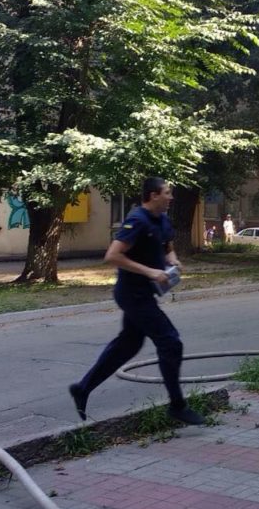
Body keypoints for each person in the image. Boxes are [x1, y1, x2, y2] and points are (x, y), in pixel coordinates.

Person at [68, 177, 204, 425]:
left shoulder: (162, 219)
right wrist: (150, 271)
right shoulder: (137, 220)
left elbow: (167, 246)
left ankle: (82, 388)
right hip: (132, 294)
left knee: (128, 345)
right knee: (170, 342)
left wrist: (172, 260)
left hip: (145, 293)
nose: (171, 197)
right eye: (167, 193)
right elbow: (112, 256)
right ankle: (177, 406)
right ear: (153, 195)